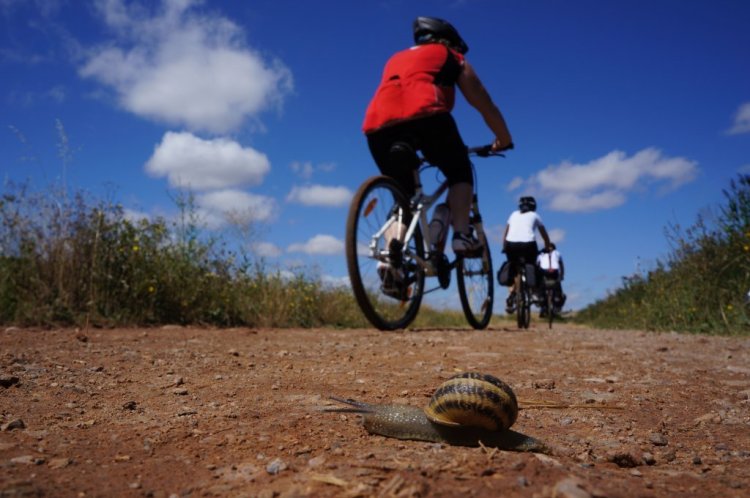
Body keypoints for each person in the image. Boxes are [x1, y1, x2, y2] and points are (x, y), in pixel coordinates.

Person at [363, 16, 513, 259]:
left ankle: (392, 263)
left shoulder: (395, 58)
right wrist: (503, 138)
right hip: (427, 117)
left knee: (403, 197)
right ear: (447, 41)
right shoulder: (452, 57)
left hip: (377, 126)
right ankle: (462, 235)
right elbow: (484, 104)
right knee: (459, 171)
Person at [502, 196, 551, 313]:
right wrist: (547, 247)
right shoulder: (535, 215)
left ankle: (511, 295)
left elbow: (505, 233)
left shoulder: (513, 214)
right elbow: (544, 235)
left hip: (511, 245)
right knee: (532, 266)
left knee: (513, 268)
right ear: (534, 206)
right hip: (528, 245)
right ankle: (533, 291)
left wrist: (504, 247)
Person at [536, 243, 566, 317]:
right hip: (555, 272)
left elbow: (537, 265)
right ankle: (556, 305)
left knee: (541, 288)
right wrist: (561, 275)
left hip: (544, 272)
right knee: (558, 288)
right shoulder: (558, 253)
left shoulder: (541, 254)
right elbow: (561, 265)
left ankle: (543, 306)